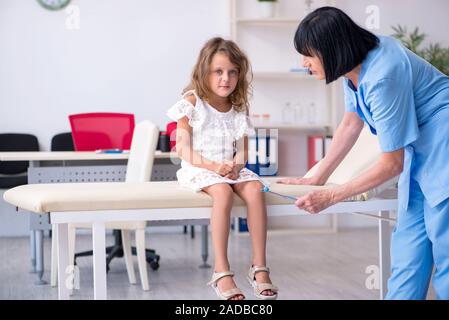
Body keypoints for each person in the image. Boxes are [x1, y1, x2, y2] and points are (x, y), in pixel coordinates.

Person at [279, 7, 449, 300]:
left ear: (332, 50)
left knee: (444, 244)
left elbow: (390, 164)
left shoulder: (383, 75)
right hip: (418, 150)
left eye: (308, 54)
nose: (303, 63)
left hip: (443, 141)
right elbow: (350, 123)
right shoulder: (353, 69)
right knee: (408, 251)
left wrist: (331, 196)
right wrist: (318, 175)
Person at [167, 37, 278, 300]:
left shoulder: (239, 105)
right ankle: (221, 270)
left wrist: (236, 164)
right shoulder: (192, 102)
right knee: (223, 193)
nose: (225, 78)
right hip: (200, 167)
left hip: (229, 168)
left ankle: (259, 267)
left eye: (232, 72)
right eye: (218, 71)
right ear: (204, 72)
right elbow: (182, 149)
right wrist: (215, 166)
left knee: (254, 189)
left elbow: (244, 148)